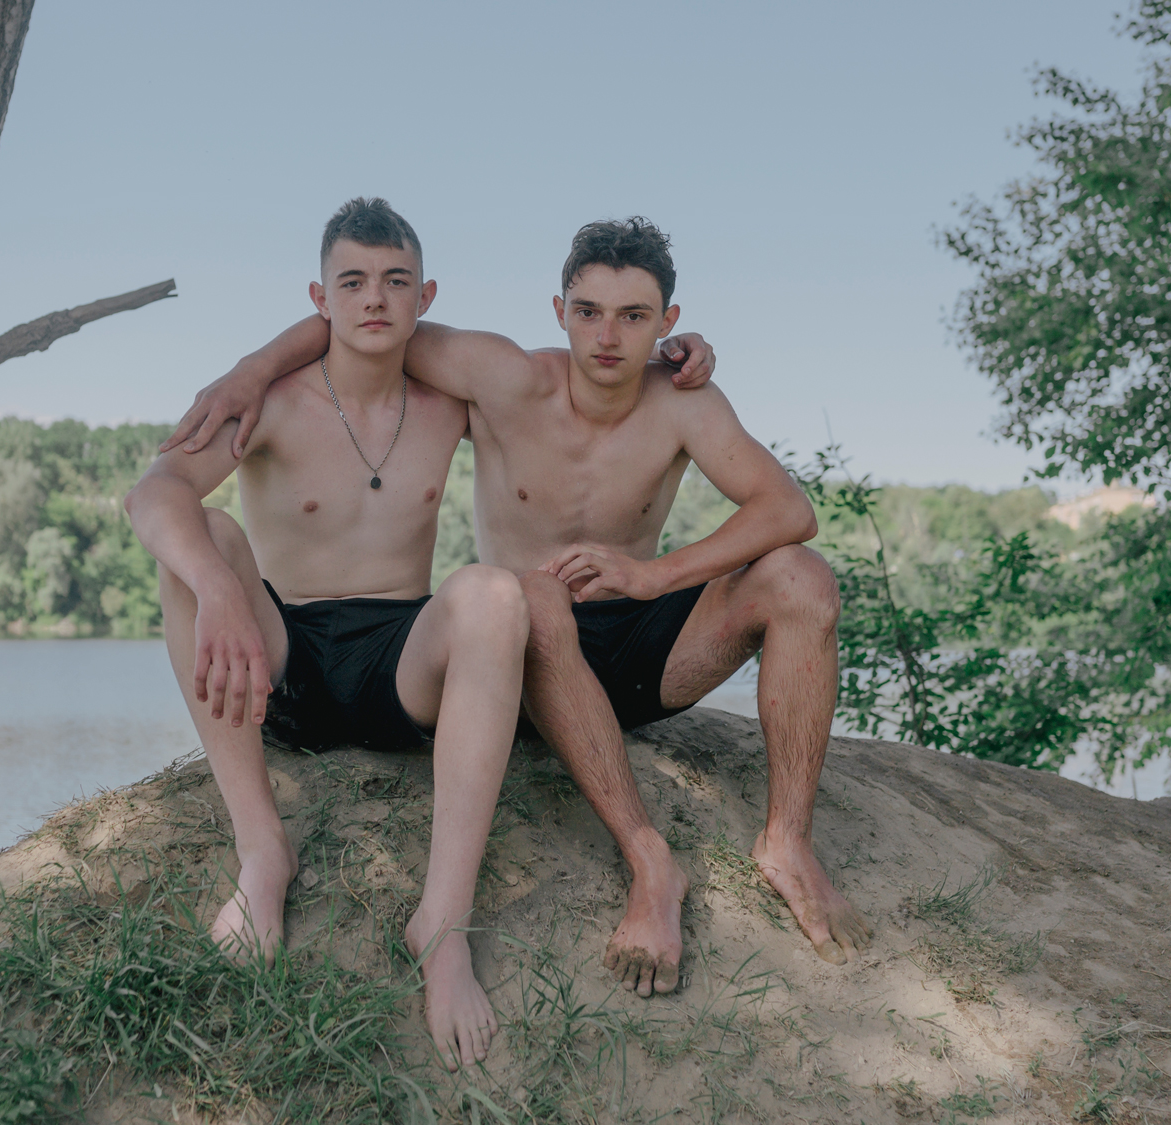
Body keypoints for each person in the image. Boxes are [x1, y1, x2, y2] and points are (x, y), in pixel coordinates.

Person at [165, 215, 874, 999]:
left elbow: (788, 509)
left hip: (644, 646)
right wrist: (250, 369)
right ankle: (650, 860)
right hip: (528, 650)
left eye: (634, 316)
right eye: (589, 311)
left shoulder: (685, 401)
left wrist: (653, 575)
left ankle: (787, 841)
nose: (607, 335)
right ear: (559, 309)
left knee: (802, 575)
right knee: (532, 592)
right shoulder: (499, 375)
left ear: (668, 323)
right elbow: (366, 321)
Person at [126, 198, 533, 1070]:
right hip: (285, 653)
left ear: (426, 295)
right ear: (321, 297)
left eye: (394, 282)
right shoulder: (269, 402)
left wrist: (670, 358)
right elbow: (153, 493)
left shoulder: (450, 401)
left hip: (402, 664)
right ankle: (262, 853)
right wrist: (218, 589)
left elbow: (573, 376)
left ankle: (443, 923)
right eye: (352, 281)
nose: (374, 300)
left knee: (495, 595)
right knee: (207, 538)